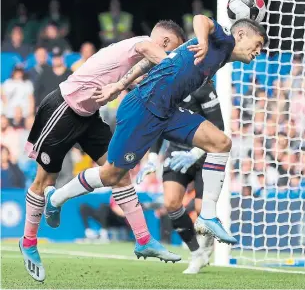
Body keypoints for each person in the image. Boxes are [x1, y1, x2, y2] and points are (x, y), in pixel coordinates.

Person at [48, 16, 267, 253]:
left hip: (168, 111)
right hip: (142, 108)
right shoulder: (221, 41)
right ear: (241, 35)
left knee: (221, 143)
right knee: (112, 175)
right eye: (257, 44)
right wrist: (203, 39)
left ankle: (208, 216)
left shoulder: (219, 58)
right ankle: (56, 198)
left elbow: (149, 64)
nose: (258, 51)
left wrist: (119, 85)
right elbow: (201, 19)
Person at [19, 20, 185, 282]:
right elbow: (164, 61)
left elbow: (140, 81)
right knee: (44, 181)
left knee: (119, 171)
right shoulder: (139, 44)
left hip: (89, 116)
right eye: (172, 47)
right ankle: (28, 242)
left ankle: (143, 239)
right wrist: (186, 64)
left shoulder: (134, 60)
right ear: (165, 43)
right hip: (63, 108)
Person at [136, 80, 223, 274]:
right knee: (171, 203)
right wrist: (151, 158)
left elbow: (219, 127)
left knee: (202, 209)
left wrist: (195, 153)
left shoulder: (203, 88)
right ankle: (196, 253)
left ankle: (207, 238)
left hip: (205, 154)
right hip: (176, 154)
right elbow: (158, 125)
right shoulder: (165, 89)